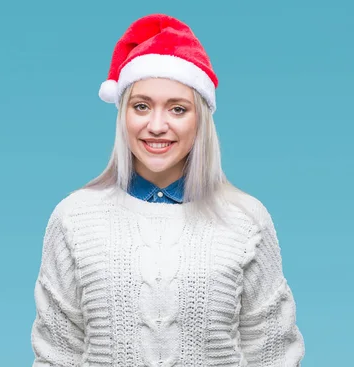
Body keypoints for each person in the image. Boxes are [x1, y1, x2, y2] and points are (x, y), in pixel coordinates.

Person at [30, 13, 305, 367]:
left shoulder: (246, 220)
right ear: (123, 115)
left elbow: (274, 354)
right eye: (141, 106)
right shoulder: (73, 218)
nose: (156, 126)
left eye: (177, 109)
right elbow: (57, 353)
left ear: (200, 120)